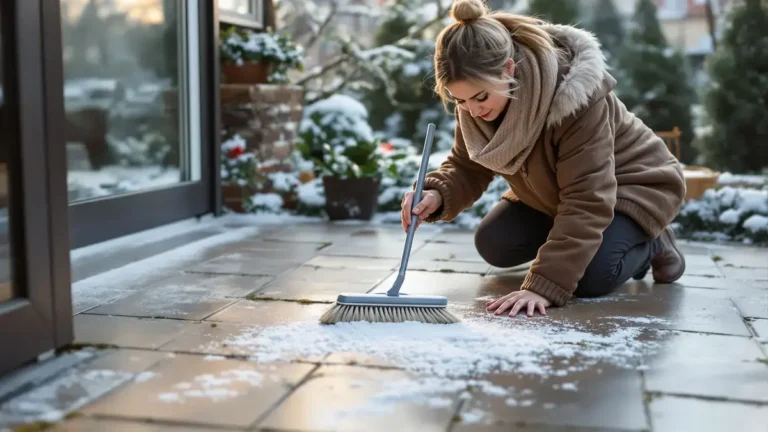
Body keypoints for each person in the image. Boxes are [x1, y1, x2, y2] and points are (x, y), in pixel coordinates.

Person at [400, 0, 687, 318]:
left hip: (634, 187)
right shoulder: (478, 97)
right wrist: (436, 193)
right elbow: (467, 164)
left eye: (480, 97)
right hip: (554, 190)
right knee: (494, 243)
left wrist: (543, 284)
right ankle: (592, 243)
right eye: (459, 100)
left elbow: (587, 199)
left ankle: (654, 241)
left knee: (589, 279)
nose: (473, 109)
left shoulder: (575, 98)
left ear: (508, 69)